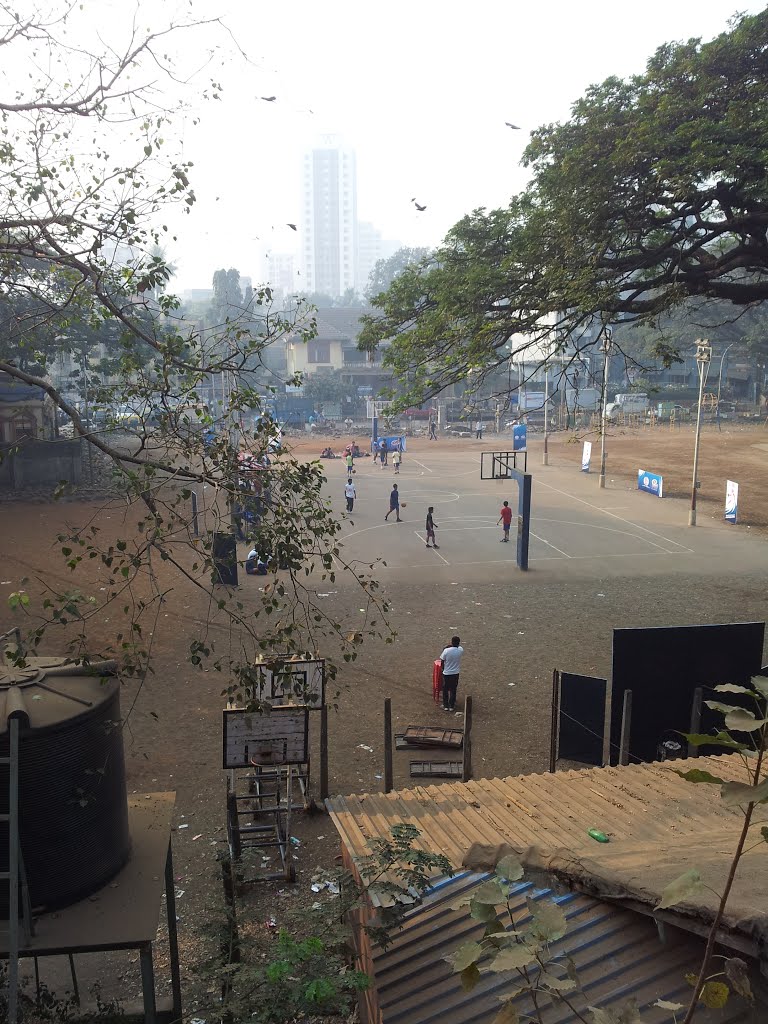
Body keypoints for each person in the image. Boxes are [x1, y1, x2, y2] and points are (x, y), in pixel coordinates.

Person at [439, 635, 464, 712]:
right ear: (458, 643)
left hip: (447, 673)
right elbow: (459, 647)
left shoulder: (446, 651)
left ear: (452, 642)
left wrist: (443, 669)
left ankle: (445, 705)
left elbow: (442, 661)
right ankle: (451, 706)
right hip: (455, 673)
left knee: (445, 689)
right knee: (453, 689)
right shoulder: (460, 650)